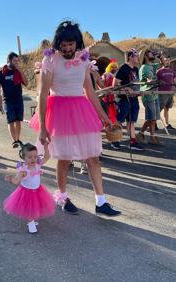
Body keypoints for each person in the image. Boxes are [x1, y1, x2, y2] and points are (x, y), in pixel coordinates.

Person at [34, 21, 120, 216]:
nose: (66, 49)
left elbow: (90, 92)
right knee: (64, 159)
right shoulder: (51, 60)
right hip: (59, 112)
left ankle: (101, 202)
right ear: (58, 44)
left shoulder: (84, 60)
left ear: (77, 42)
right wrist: (42, 127)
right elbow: (43, 94)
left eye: (70, 44)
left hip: (82, 110)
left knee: (93, 158)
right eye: (63, 45)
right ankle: (62, 197)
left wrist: (104, 117)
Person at [4, 143, 55, 233]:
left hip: (38, 190)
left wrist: (46, 147)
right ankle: (30, 223)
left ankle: (32, 220)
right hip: (26, 192)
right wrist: (10, 178)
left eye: (35, 157)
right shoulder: (23, 170)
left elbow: (47, 157)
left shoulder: (37, 165)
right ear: (24, 158)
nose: (33, 159)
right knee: (30, 209)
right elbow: (16, 181)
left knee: (36, 207)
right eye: (30, 157)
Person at [112, 48, 144, 151]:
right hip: (123, 99)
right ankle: (115, 140)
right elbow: (114, 84)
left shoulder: (136, 69)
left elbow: (135, 83)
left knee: (131, 121)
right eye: (136, 56)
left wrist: (138, 90)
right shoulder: (123, 68)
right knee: (119, 120)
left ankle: (133, 142)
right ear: (130, 57)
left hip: (133, 98)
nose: (138, 58)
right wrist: (126, 88)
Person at [0, 52, 28, 148]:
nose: (16, 63)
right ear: (9, 60)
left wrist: (20, 70)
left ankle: (18, 139)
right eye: (15, 61)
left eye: (17, 61)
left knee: (18, 120)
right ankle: (14, 141)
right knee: (10, 121)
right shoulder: (2, 72)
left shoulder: (18, 71)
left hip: (18, 100)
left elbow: (26, 83)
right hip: (7, 101)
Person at [137, 49, 161, 145]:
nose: (152, 53)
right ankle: (141, 133)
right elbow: (147, 81)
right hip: (148, 95)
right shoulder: (144, 68)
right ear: (146, 56)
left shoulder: (152, 66)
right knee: (152, 118)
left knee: (154, 119)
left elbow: (161, 63)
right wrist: (153, 81)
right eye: (150, 52)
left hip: (155, 94)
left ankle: (151, 137)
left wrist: (158, 56)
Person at [157, 55, 176, 131]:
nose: (167, 62)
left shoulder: (172, 71)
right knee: (158, 109)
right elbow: (156, 81)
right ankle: (153, 124)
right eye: (166, 60)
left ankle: (167, 124)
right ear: (162, 61)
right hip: (162, 93)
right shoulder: (159, 71)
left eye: (168, 60)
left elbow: (175, 81)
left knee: (167, 108)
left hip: (170, 93)